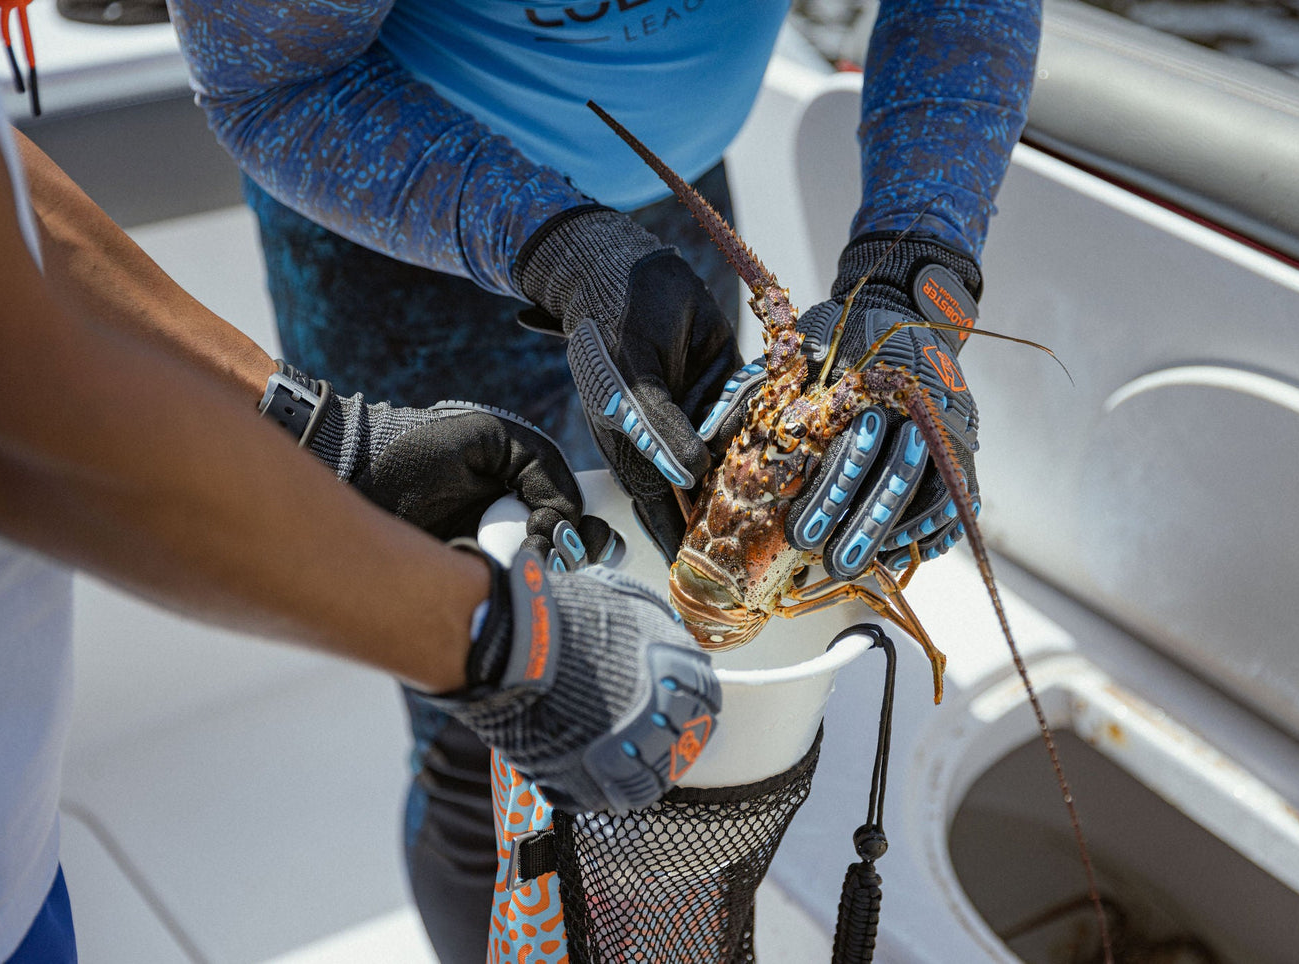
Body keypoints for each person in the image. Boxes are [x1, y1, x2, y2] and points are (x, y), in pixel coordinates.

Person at [167, 1, 1040, 957]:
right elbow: (271, 81)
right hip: (395, 212)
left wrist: (914, 267)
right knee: (481, 725)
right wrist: (553, 239)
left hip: (667, 211)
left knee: (666, 727)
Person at [0, 5, 720, 959]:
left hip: (10, 829)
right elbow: (11, 428)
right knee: (467, 768)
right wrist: (495, 642)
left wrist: (326, 437)